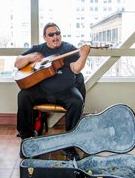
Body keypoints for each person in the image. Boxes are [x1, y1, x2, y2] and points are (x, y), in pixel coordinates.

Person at [15, 22, 90, 158]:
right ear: (45, 37)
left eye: (57, 33)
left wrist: (84, 55)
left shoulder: (69, 48)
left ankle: (69, 144)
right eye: (51, 35)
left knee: (77, 101)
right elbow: (17, 62)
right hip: (41, 91)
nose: (55, 37)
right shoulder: (38, 49)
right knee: (23, 95)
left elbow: (76, 69)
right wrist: (30, 57)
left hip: (65, 91)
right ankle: (27, 140)